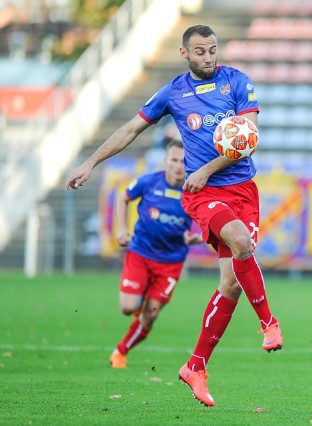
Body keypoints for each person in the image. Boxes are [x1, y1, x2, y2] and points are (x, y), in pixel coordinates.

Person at [65, 25, 283, 407]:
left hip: (243, 191)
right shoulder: (174, 92)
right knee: (241, 242)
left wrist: (207, 167)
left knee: (231, 284)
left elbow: (248, 139)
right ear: (184, 53)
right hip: (203, 194)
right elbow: (132, 128)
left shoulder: (237, 82)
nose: (209, 57)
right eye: (200, 51)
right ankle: (268, 322)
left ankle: (195, 366)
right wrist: (90, 161)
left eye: (213, 49)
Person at [110, 140, 203, 369]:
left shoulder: (195, 190)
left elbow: (207, 224)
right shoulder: (148, 182)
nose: (179, 165)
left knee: (151, 315)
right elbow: (123, 199)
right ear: (165, 161)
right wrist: (122, 229)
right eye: (174, 160)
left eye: (184, 161)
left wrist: (197, 237)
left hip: (171, 262)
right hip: (140, 253)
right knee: (128, 308)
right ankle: (140, 298)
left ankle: (120, 352)